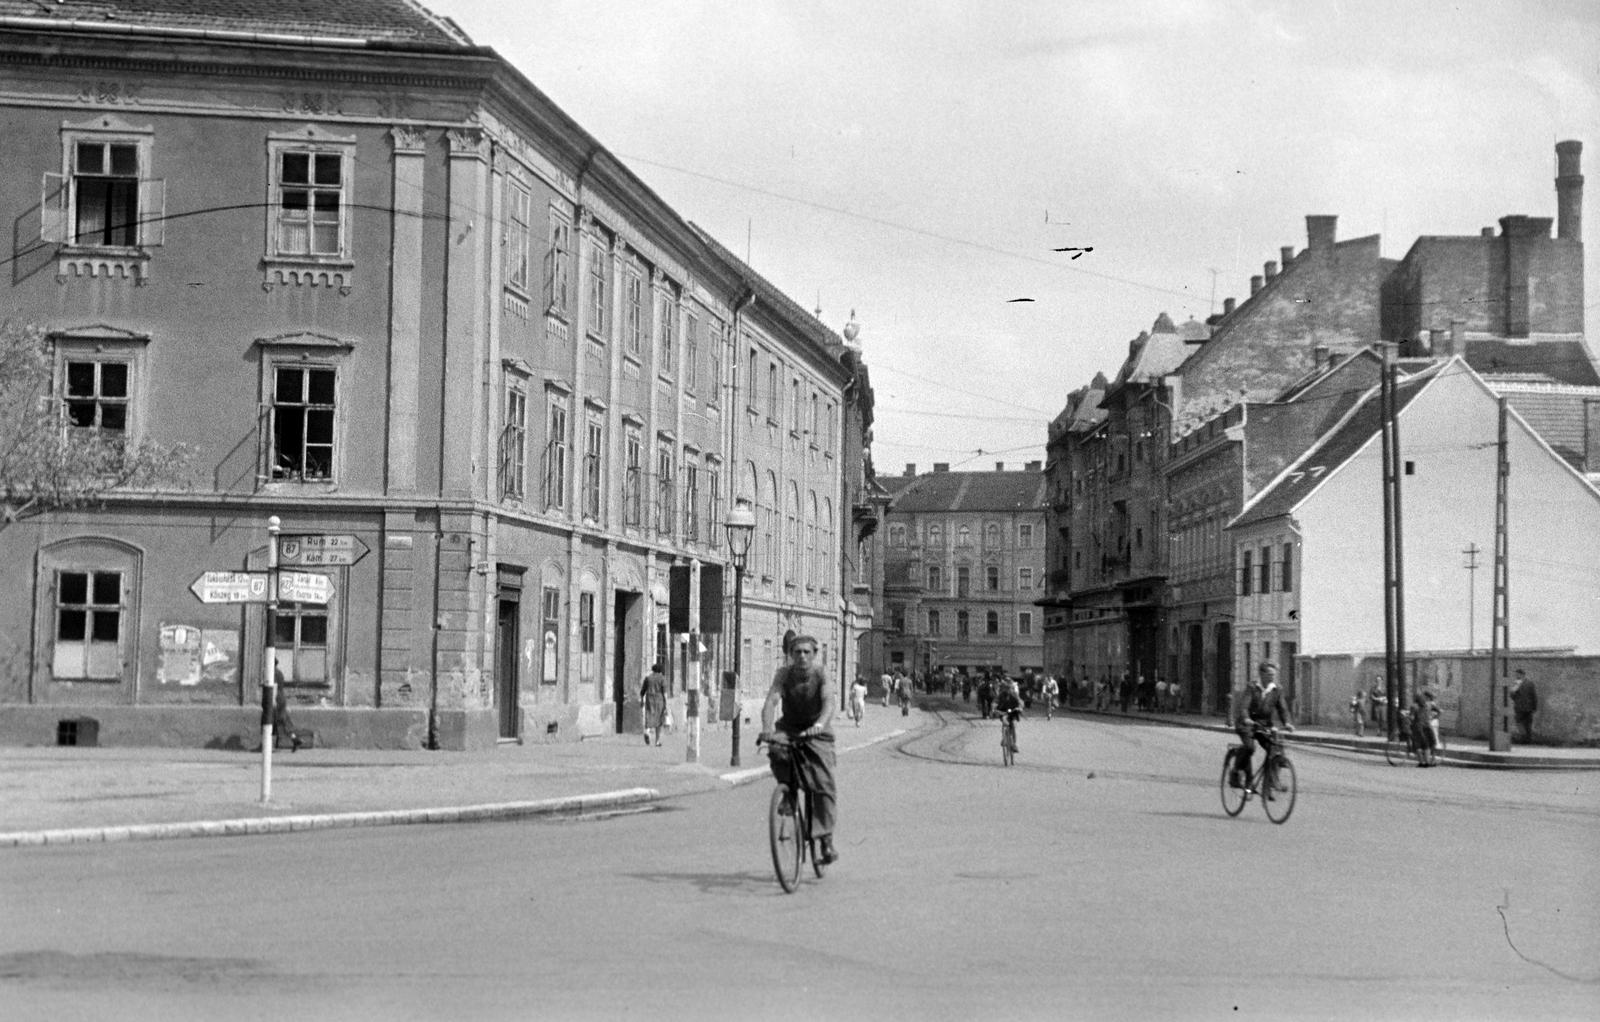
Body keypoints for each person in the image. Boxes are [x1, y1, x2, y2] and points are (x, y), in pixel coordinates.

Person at [758, 635, 839, 865]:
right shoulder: (784, 674)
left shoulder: (821, 674)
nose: (801, 656)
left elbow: (828, 703)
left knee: (823, 785)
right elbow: (772, 701)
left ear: (814, 654)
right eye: (797, 652)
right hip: (790, 727)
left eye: (806, 652)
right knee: (776, 749)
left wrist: (820, 724)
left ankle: (825, 840)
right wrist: (766, 729)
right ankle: (788, 793)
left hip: (817, 732)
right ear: (791, 655)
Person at [1229, 661, 1294, 795]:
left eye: (1274, 674)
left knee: (1274, 748)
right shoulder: (1252, 687)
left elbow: (1282, 709)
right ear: (1262, 674)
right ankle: (1235, 772)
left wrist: (1287, 722)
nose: (1272, 677)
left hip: (1263, 725)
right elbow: (1244, 706)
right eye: (1270, 674)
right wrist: (1246, 718)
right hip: (1246, 724)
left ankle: (1271, 781)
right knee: (1249, 748)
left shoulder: (1277, 689)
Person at [271, 666, 302, 753]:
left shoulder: (272, 672)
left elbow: (274, 686)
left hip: (276, 697)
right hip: (281, 697)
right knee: (283, 720)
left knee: (272, 720)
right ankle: (294, 739)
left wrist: (273, 699)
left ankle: (269, 744)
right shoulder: (280, 672)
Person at [640, 662, 668, 746]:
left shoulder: (648, 678)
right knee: (659, 721)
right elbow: (665, 693)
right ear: (660, 670)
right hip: (659, 700)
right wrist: (666, 704)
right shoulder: (662, 678)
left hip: (649, 699)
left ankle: (647, 731)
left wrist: (642, 700)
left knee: (649, 716)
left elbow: (642, 691)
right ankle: (657, 741)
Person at [994, 676, 1023, 753]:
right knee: (1004, 721)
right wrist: (994, 708)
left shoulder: (1014, 694)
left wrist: (1019, 708)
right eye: (1006, 688)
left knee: (1013, 725)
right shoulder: (1001, 695)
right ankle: (1004, 737)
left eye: (1009, 688)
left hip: (1013, 711)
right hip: (1003, 711)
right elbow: (995, 702)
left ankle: (1014, 744)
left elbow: (1020, 702)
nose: (1008, 690)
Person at [1409, 690, 1438, 767]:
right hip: (1427, 726)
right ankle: (1428, 761)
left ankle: (1421, 762)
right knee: (1427, 745)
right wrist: (1433, 717)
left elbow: (1412, 718)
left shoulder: (1414, 706)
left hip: (1417, 727)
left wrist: (1408, 716)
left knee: (1418, 745)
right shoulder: (1428, 705)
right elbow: (1437, 711)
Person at [1511, 669, 1538, 744]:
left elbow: (1512, 696)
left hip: (1520, 707)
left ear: (1521, 674)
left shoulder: (1517, 684)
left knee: (1519, 722)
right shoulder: (1530, 683)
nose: (1516, 676)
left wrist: (1513, 690)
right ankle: (1528, 740)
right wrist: (1535, 707)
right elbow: (1534, 696)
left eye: (1517, 674)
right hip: (1528, 707)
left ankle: (1524, 737)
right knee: (1527, 724)